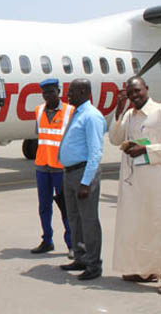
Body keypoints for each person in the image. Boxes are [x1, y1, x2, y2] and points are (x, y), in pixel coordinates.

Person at [108, 76, 161, 290]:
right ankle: (141, 269)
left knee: (156, 226)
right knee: (137, 227)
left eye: (137, 91)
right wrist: (119, 110)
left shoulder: (158, 112)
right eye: (130, 93)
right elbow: (114, 138)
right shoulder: (129, 114)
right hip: (133, 182)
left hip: (155, 180)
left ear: (146, 89)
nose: (134, 96)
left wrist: (146, 150)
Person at [58, 78, 105, 280]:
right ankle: (80, 257)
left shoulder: (91, 116)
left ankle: (94, 265)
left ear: (85, 92)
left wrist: (86, 182)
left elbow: (95, 152)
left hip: (83, 173)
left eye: (72, 92)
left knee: (88, 221)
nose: (68, 96)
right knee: (74, 218)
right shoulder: (77, 112)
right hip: (70, 173)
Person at [31, 79, 73, 257]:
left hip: (60, 166)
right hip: (42, 165)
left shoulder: (70, 111)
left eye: (51, 92)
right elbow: (39, 133)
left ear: (59, 91)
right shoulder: (39, 110)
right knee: (44, 206)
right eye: (45, 93)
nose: (48, 95)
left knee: (65, 207)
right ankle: (47, 240)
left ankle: (72, 244)